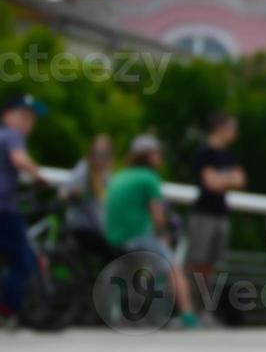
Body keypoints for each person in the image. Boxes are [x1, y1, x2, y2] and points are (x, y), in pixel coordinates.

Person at [105, 134, 197, 328]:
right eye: (157, 153)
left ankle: (126, 313)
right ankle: (188, 317)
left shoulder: (119, 176)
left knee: (135, 273)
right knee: (174, 268)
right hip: (138, 238)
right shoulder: (149, 178)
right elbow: (158, 215)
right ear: (147, 156)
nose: (160, 157)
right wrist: (164, 236)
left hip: (114, 239)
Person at [0, 94, 49, 318]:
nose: (27, 124)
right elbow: (20, 160)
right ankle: (9, 309)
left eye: (31, 120)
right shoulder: (11, 136)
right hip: (3, 210)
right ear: (6, 116)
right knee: (23, 259)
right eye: (22, 117)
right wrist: (39, 176)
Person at [187, 112, 245, 279]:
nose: (235, 132)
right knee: (196, 262)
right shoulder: (205, 152)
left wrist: (221, 180)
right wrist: (228, 179)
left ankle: (202, 302)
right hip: (203, 214)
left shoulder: (227, 154)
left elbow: (240, 180)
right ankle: (188, 302)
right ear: (220, 128)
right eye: (232, 128)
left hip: (220, 214)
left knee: (211, 265)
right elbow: (211, 184)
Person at [62, 134, 112, 235]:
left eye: (103, 155)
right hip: (82, 226)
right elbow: (63, 194)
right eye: (96, 153)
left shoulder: (105, 175)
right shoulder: (83, 169)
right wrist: (73, 194)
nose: (99, 158)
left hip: (99, 227)